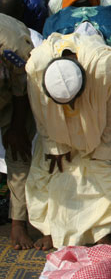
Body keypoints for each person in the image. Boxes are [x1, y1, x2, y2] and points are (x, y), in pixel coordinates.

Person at [25, 32, 111, 250]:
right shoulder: (36, 67)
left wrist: (104, 153)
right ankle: (50, 229)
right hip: (55, 132)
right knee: (49, 172)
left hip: (95, 132)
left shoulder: (104, 66)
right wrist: (55, 147)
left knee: (103, 173)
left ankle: (101, 231)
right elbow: (40, 115)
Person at [0, 14, 34, 250]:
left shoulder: (15, 49)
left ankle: (18, 224)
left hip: (16, 92)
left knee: (18, 150)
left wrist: (16, 126)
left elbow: (21, 92)